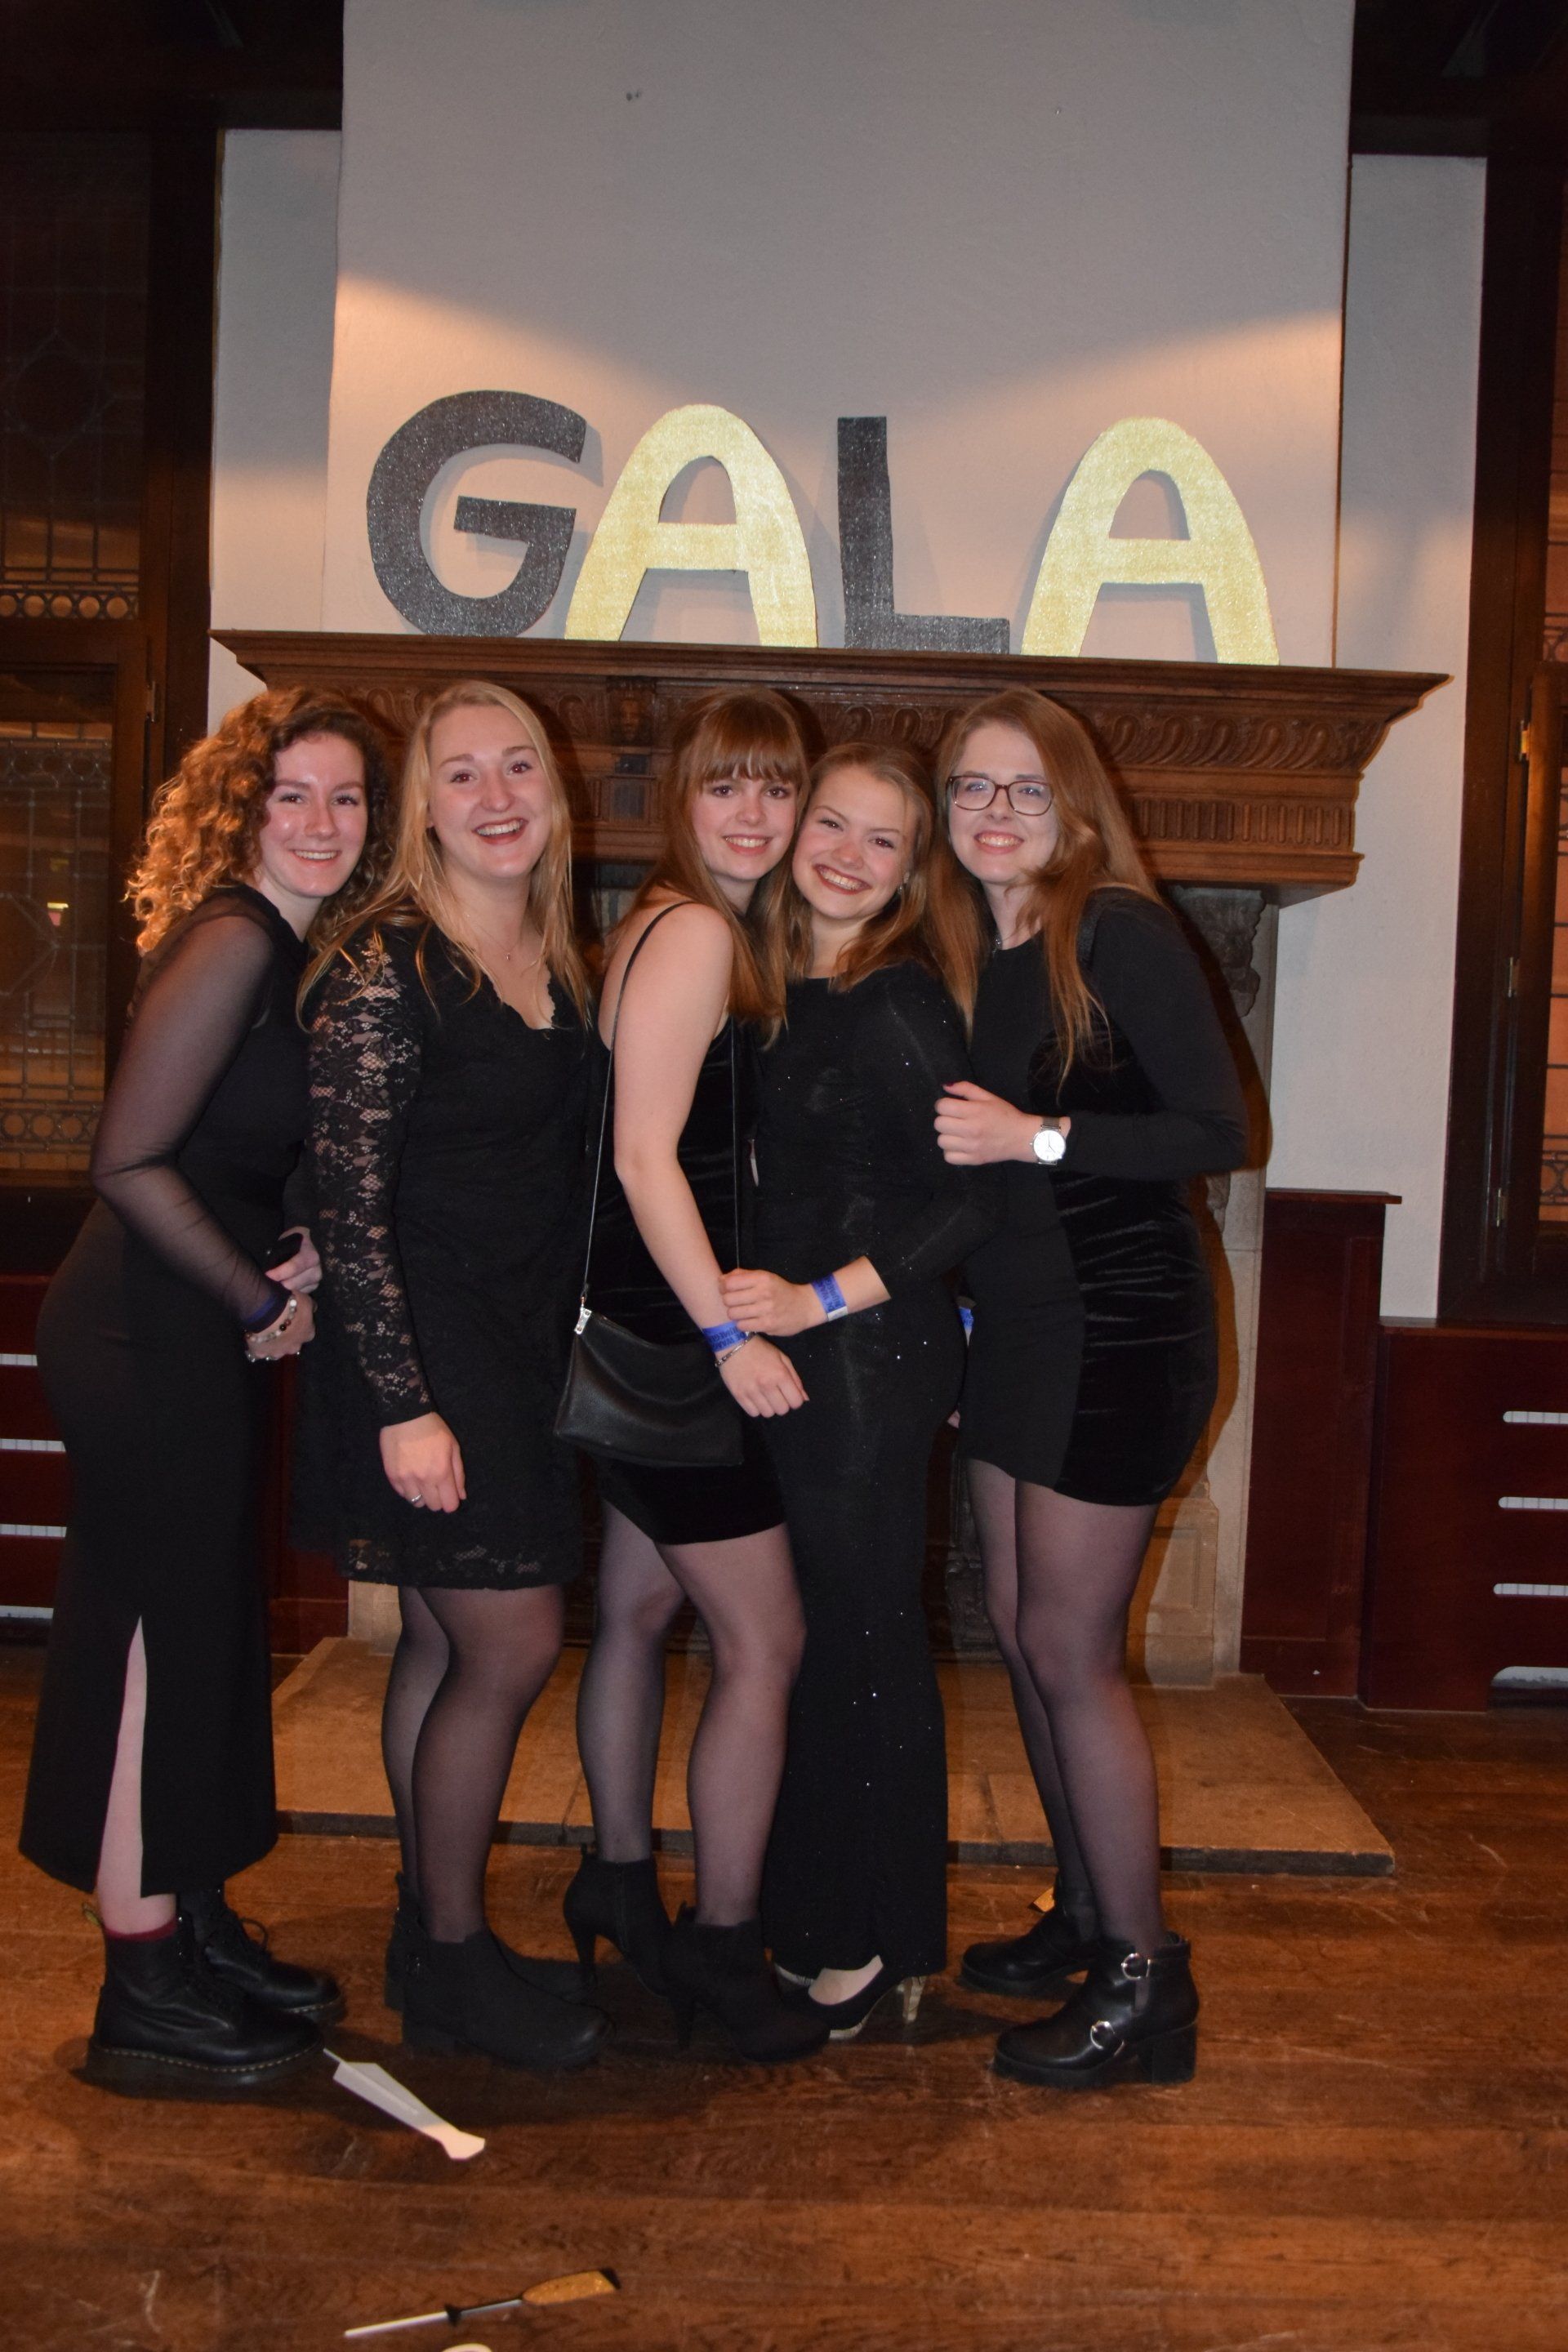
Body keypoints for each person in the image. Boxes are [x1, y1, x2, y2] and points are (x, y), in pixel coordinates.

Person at [20, 688, 390, 2093]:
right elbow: (126, 1159)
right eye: (292, 795)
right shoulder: (237, 937)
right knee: (150, 1647)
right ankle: (142, 1983)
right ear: (242, 810)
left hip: (180, 1325)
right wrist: (257, 1298)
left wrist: (282, 1243)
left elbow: (225, 1146)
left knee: (196, 1637)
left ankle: (191, 1921)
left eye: (345, 797)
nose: (321, 822)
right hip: (140, 1331)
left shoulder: (283, 948)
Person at [933, 686, 1247, 2090]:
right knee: (1018, 1629)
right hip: (1016, 1328)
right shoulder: (975, 947)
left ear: (1073, 807)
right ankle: (1082, 1907)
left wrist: (1040, 1137)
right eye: (971, 788)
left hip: (1121, 1325)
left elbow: (1220, 1129)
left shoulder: (1116, 929)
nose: (995, 813)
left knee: (1071, 1650)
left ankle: (1145, 1980)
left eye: (1025, 789)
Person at [305, 680, 606, 2074]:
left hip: (521, 1343)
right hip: (429, 1353)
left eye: (518, 766)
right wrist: (405, 1404)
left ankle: (428, 1942)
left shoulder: (559, 958)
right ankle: (454, 1953)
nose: (495, 797)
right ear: (422, 806)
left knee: (443, 1644)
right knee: (510, 1641)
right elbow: (348, 1208)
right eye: (462, 772)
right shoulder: (388, 967)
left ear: (554, 789)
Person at [564, 686, 827, 2065]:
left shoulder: (662, 920)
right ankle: (725, 1945)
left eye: (776, 787)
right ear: (683, 797)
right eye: (726, 784)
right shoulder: (699, 934)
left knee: (635, 1609)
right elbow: (642, 1156)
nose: (753, 812)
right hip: (676, 1342)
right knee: (766, 1644)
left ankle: (617, 1880)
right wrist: (730, 1340)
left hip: (631, 1324)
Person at [717, 742, 993, 2038]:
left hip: (870, 1357)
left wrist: (817, 1299)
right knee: (830, 1640)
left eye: (883, 840)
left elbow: (977, 1200)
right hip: (811, 1356)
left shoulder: (898, 1002)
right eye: (832, 823)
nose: (847, 855)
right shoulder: (780, 984)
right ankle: (828, 1914)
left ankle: (876, 1939)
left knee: (865, 1641)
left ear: (914, 870)